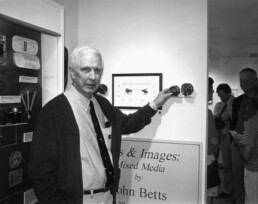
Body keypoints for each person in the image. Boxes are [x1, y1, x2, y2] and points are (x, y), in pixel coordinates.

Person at [28, 44, 172, 204]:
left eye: (97, 70)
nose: (93, 76)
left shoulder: (102, 104)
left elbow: (127, 124)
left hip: (108, 197)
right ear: (72, 72)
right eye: (86, 69)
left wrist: (155, 104)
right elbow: (40, 172)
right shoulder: (53, 112)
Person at [230, 67, 257, 204]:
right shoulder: (237, 100)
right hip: (237, 143)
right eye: (241, 81)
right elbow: (234, 121)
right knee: (239, 180)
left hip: (253, 148)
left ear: (255, 80)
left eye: (247, 81)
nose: (243, 84)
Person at [214, 84, 235, 198]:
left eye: (222, 96)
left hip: (234, 136)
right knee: (227, 164)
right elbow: (217, 116)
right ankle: (228, 190)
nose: (221, 98)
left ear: (228, 93)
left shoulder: (236, 102)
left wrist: (222, 117)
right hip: (224, 134)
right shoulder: (219, 104)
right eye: (219, 96)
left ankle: (235, 191)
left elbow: (228, 116)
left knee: (235, 165)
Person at [207, 77, 220, 202]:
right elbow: (214, 140)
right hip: (208, 159)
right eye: (211, 90)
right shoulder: (207, 114)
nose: (212, 93)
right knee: (208, 196)